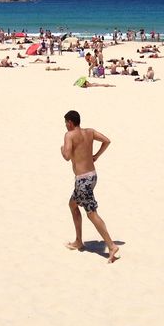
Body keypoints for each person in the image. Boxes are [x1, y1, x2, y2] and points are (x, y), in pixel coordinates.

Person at [60, 110, 119, 263]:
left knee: (91, 213)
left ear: (71, 122)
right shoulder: (90, 132)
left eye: (66, 122)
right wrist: (96, 156)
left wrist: (62, 149)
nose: (65, 125)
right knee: (73, 204)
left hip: (82, 180)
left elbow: (66, 156)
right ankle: (79, 240)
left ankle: (111, 246)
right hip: (92, 176)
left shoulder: (69, 135)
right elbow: (107, 140)